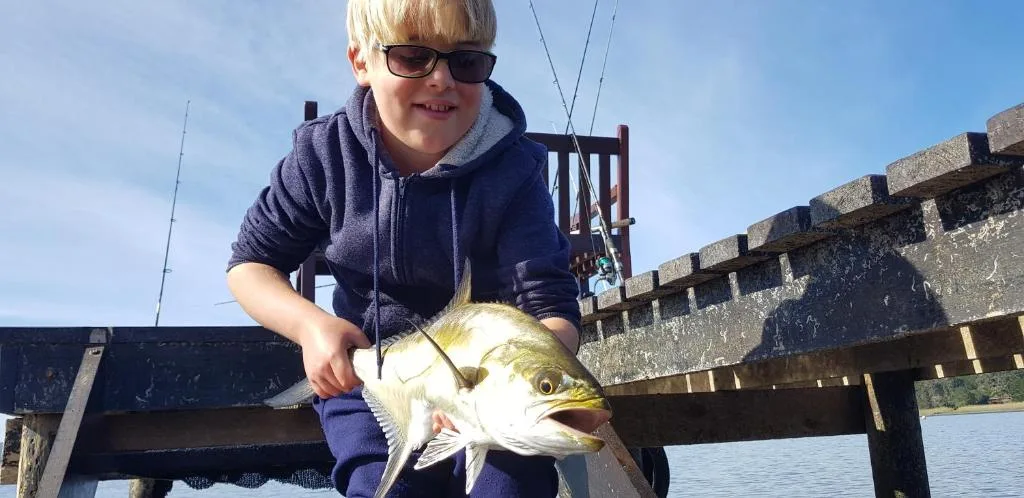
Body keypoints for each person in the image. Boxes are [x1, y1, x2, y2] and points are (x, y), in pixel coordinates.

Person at [224, 0, 582, 496]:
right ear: (361, 62)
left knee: (510, 484)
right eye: (413, 57)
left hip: (488, 381)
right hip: (369, 376)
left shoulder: (515, 170)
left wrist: (523, 385)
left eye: (467, 60)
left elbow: (549, 307)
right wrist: (312, 327)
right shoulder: (323, 156)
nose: (441, 79)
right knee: (383, 485)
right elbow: (250, 265)